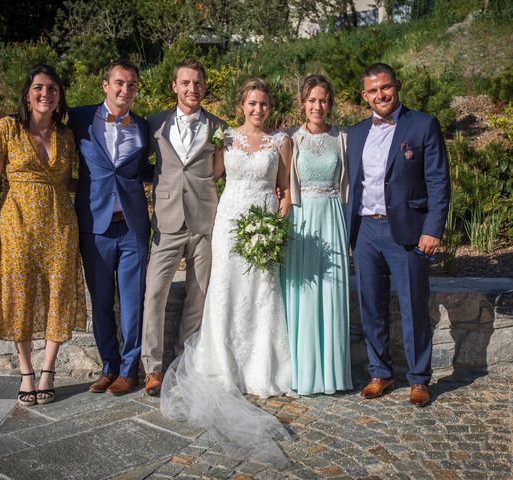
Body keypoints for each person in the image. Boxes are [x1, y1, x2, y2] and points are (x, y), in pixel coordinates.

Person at [160, 78, 293, 465]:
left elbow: (284, 191)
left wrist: (274, 230)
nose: (258, 110)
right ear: (242, 105)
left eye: (264, 104)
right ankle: (222, 364)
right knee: (225, 291)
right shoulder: (227, 139)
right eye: (252, 103)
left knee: (261, 294)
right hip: (230, 224)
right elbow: (208, 178)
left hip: (264, 227)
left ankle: (258, 369)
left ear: (270, 106)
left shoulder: (280, 142)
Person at [0, 64, 87, 406]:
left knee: (59, 293)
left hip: (59, 226)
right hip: (17, 225)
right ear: (27, 93)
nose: (45, 94)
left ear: (59, 97)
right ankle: (26, 372)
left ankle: (48, 371)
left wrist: (108, 187)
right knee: (19, 297)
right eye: (39, 87)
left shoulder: (65, 136)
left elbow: (67, 181)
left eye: (52, 89)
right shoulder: (6, 128)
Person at [346, 63, 450, 407]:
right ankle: (381, 373)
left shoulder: (422, 125)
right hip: (365, 230)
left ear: (397, 86)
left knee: (413, 307)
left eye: (385, 88)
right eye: (373, 91)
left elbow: (438, 181)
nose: (381, 95)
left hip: (407, 231)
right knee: (371, 306)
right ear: (365, 96)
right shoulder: (357, 132)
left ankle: (419, 379)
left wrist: (432, 229)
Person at [141, 59, 226, 396]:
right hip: (166, 220)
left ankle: (183, 360)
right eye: (186, 83)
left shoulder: (219, 126)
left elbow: (220, 169)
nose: (193, 88)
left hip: (204, 220)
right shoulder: (154, 124)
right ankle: (154, 366)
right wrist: (163, 185)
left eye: (198, 83)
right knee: (154, 293)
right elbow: (140, 163)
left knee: (199, 294)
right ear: (174, 86)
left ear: (204, 87)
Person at [68, 59, 151, 396]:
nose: (125, 90)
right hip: (95, 226)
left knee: (132, 302)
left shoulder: (144, 126)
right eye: (119, 83)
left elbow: (147, 170)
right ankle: (108, 366)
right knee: (101, 301)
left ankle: (129, 369)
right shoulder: (79, 118)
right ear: (105, 85)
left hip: (133, 226)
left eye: (131, 85)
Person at [282, 74, 352, 395]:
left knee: (333, 293)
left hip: (333, 218)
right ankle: (304, 372)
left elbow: (349, 184)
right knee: (305, 295)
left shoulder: (343, 139)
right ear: (302, 103)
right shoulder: (291, 140)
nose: (317, 106)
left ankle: (333, 374)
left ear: (331, 103)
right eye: (311, 100)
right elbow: (281, 186)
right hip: (303, 220)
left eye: (323, 100)